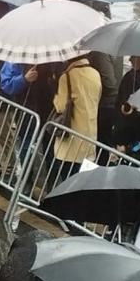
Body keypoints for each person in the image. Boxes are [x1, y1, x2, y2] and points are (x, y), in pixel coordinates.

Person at [49, 55, 102, 184]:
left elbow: (61, 107)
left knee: (67, 181)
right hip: (90, 137)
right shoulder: (95, 74)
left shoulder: (66, 77)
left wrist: (54, 94)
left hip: (71, 141)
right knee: (82, 184)